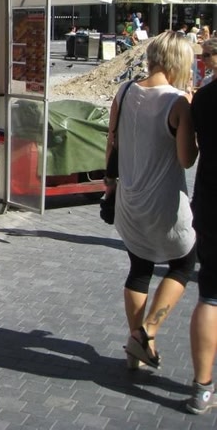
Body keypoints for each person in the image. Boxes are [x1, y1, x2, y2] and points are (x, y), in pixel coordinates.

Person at [105, 30, 198, 370]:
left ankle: (136, 348)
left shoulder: (124, 91)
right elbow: (187, 159)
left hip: (129, 199)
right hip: (164, 204)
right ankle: (147, 332)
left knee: (140, 268)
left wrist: (109, 186)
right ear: (179, 62)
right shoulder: (178, 103)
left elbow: (111, 142)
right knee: (184, 264)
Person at [187, 67, 217, 414]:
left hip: (212, 206)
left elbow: (190, 154)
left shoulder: (205, 99)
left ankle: (202, 387)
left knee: (210, 297)